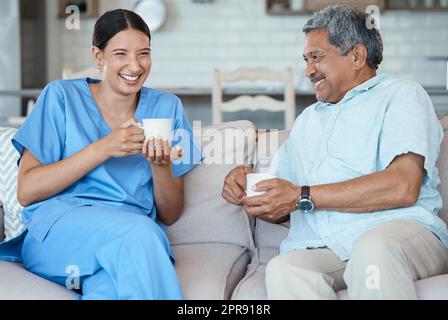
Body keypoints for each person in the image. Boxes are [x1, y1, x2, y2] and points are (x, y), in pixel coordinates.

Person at [222, 5, 448, 300]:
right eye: (306, 60)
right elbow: (283, 199)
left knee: (372, 250)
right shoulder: (307, 120)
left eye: (316, 57)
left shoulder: (401, 95)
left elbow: (403, 186)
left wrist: (301, 196)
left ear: (356, 56)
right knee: (285, 268)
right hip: (325, 245)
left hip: (397, 232)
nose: (308, 70)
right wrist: (249, 186)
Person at [0, 9, 202, 300]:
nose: (135, 65)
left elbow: (170, 214)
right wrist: (104, 147)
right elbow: (27, 191)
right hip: (60, 231)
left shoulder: (167, 107)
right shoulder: (60, 97)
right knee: (140, 236)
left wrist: (160, 166)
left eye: (143, 53)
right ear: (98, 56)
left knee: (110, 288)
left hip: (127, 234)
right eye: (121, 53)